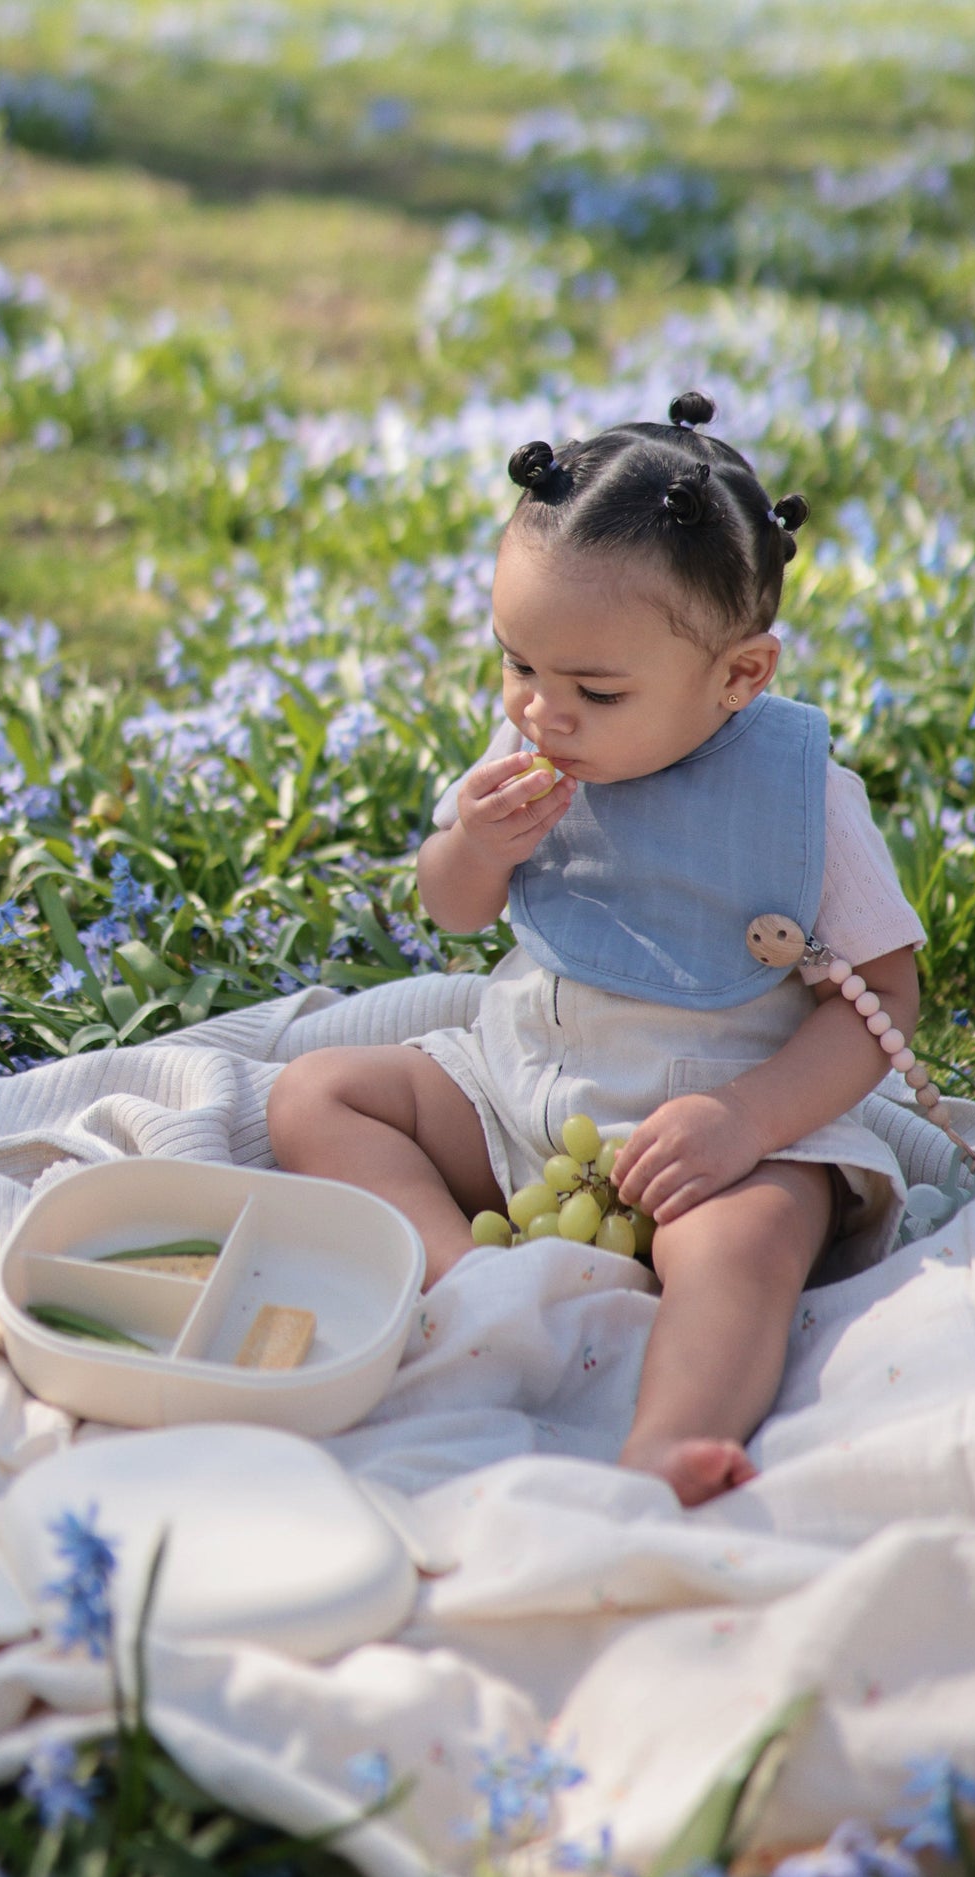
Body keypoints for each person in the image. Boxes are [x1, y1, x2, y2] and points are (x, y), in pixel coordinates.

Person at [268, 390, 928, 1507]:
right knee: (316, 1092)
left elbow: (883, 998)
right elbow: (455, 909)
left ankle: (668, 1435)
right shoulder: (528, 748)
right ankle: (476, 1296)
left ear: (739, 676)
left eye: (593, 689)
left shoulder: (798, 798)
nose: (540, 712)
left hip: (705, 1134)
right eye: (517, 664)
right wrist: (471, 844)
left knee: (753, 1244)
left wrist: (751, 1120)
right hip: (523, 1092)